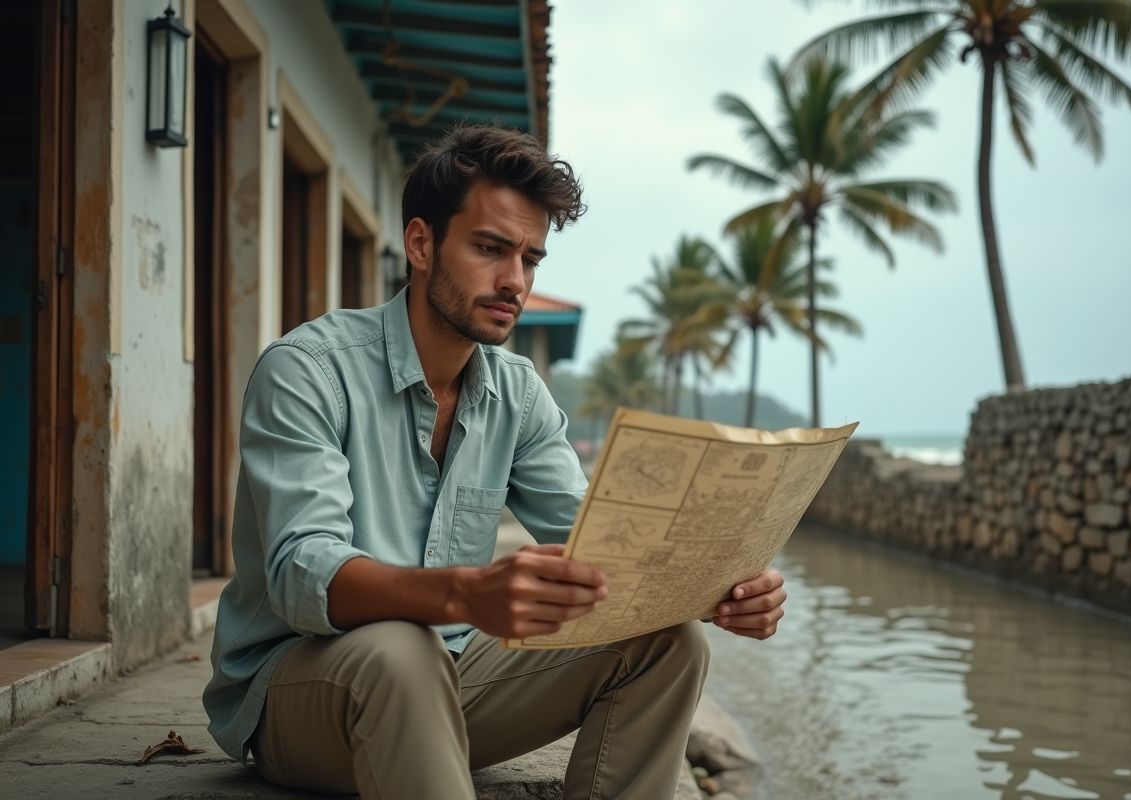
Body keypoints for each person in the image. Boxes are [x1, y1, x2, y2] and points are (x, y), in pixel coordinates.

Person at [202, 124, 787, 800]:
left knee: (672, 642)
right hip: (299, 694)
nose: (515, 281)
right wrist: (464, 593)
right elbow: (301, 573)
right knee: (403, 648)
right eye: (490, 248)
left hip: (451, 680)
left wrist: (724, 591)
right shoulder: (307, 370)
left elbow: (606, 550)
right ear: (421, 244)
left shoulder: (517, 393)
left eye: (531, 258)